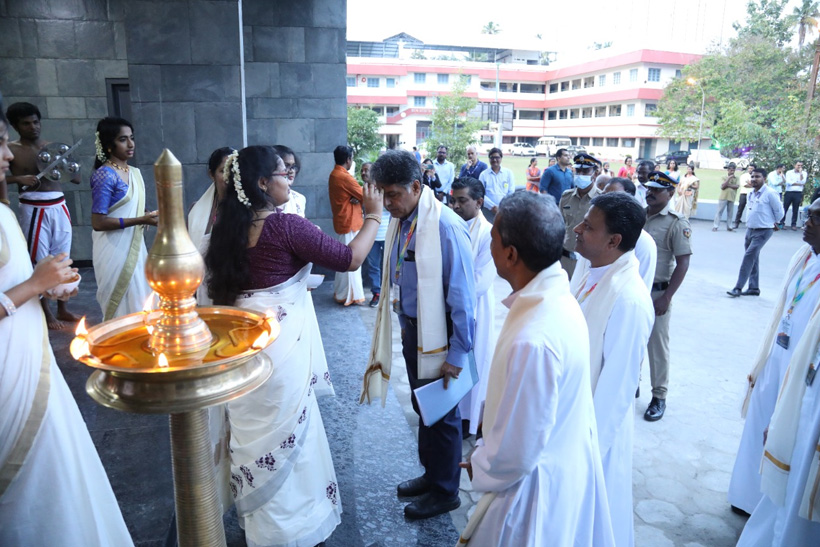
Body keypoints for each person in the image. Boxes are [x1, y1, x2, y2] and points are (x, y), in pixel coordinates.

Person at [205, 145, 383, 546]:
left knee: (253, 436)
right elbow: (349, 258)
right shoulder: (285, 226)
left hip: (241, 350)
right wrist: (373, 215)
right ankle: (293, 530)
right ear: (262, 183)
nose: (289, 180)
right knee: (289, 438)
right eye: (282, 174)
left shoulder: (225, 230)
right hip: (279, 354)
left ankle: (262, 529)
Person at [0, 102, 134, 546]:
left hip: (31, 360)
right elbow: (20, 285)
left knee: (59, 465)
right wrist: (32, 285)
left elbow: (15, 279)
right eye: (0, 144)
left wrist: (50, 286)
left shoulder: (2, 213)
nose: (7, 155)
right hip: (9, 372)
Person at [456, 191, 614, 547]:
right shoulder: (556, 298)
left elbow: (516, 453)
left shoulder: (535, 339)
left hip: (528, 497)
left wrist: (482, 462)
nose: (489, 245)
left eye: (493, 238)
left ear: (511, 254)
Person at [361, 150, 475, 521]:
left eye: (393, 194)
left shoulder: (444, 226)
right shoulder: (406, 220)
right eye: (382, 194)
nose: (387, 203)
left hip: (440, 333)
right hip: (414, 328)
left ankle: (446, 491)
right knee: (424, 406)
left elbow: (463, 297)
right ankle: (433, 474)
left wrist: (457, 354)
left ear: (415, 186)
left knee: (442, 414)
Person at [728, 198, 820, 518]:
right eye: (808, 215)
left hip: (804, 369)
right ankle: (745, 495)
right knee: (759, 420)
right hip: (778, 353)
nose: (806, 222)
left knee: (782, 431)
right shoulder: (804, 255)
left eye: (816, 218)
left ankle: (768, 510)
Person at [572, 192, 655, 547]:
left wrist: (586, 452)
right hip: (572, 418)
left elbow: (617, 389)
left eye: (588, 226)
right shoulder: (592, 272)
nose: (577, 229)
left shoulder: (629, 299)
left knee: (590, 519)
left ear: (613, 241)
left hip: (593, 435)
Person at [4, 102, 81, 329]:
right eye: (26, 124)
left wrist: (66, 163)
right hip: (33, 207)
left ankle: (63, 308)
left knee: (63, 256)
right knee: (39, 259)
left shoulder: (52, 147)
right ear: (15, 126)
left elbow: (77, 179)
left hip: (59, 205)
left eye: (35, 122)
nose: (33, 127)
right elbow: (1, 178)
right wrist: (18, 179)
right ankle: (46, 313)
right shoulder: (11, 150)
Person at [90, 117, 157, 320]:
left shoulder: (134, 173)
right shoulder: (105, 175)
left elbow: (128, 206)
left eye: (131, 138)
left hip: (134, 247)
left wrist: (144, 213)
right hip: (113, 250)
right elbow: (98, 222)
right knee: (120, 303)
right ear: (109, 145)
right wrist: (141, 220)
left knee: (141, 296)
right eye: (123, 139)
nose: (130, 144)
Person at [644, 171, 692, 422]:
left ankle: (659, 395)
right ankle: (632, 384)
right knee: (630, 340)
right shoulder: (638, 216)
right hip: (635, 289)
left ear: (670, 193)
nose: (650, 193)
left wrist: (667, 297)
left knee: (657, 347)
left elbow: (683, 263)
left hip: (658, 293)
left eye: (657, 189)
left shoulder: (676, 223)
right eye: (649, 188)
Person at [451, 177, 496, 438]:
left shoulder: (489, 233)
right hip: (451, 306)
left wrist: (448, 291)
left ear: (479, 202)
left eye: (462, 201)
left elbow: (480, 281)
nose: (455, 206)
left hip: (476, 308)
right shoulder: (448, 225)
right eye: (453, 200)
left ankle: (469, 419)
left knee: (474, 361)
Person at [571, 177, 657, 291]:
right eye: (604, 195)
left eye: (614, 197)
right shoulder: (591, 238)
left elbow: (643, 281)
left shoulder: (644, 242)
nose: (605, 201)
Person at [727, 168, 785, 298]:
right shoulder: (750, 194)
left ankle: (737, 288)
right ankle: (753, 288)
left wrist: (773, 223)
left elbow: (780, 212)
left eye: (757, 177)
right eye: (752, 177)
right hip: (750, 229)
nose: (754, 179)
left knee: (748, 257)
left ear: (764, 178)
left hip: (763, 230)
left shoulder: (770, 193)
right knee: (753, 257)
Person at [188, 147, 235, 306]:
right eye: (223, 171)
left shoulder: (249, 209)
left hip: (234, 282)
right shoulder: (196, 210)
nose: (229, 176)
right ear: (211, 174)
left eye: (233, 170)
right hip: (202, 282)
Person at [328, 145, 366, 306]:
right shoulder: (344, 176)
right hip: (349, 222)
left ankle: (343, 293)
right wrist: (358, 195)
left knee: (344, 259)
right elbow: (364, 195)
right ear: (348, 159)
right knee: (351, 260)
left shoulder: (335, 174)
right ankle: (349, 295)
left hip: (345, 221)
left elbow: (357, 194)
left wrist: (355, 196)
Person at [558, 153, 601, 278]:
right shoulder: (566, 197)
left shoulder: (601, 199)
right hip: (565, 259)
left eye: (586, 171)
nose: (580, 174)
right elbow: (560, 226)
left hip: (588, 263)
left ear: (595, 174)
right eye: (578, 171)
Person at [361, 161, 391, 307]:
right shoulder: (362, 190)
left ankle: (390, 294)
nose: (363, 173)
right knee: (373, 266)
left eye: (366, 170)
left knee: (389, 265)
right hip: (371, 235)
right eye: (362, 170)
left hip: (387, 233)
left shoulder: (384, 188)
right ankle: (377, 293)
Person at [478, 147, 515, 223]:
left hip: (504, 210)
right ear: (489, 159)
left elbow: (511, 192)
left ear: (501, 158)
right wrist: (492, 207)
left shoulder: (508, 173)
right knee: (488, 229)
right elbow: (480, 193)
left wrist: (501, 207)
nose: (494, 160)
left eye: (497, 157)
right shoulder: (484, 175)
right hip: (488, 210)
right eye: (492, 158)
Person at [273, 144, 306, 217]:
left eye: (293, 166)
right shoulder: (266, 199)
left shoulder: (299, 198)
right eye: (286, 166)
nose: (291, 171)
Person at [713, 163, 739, 231]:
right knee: (719, 212)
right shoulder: (724, 177)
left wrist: (728, 185)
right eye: (731, 170)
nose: (732, 172)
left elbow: (737, 186)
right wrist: (729, 178)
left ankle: (729, 226)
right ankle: (715, 226)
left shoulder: (736, 178)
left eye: (733, 170)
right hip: (723, 197)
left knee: (730, 213)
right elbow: (723, 187)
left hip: (732, 197)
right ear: (728, 170)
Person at [782, 161, 806, 231]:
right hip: (789, 192)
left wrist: (801, 174)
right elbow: (788, 182)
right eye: (798, 165)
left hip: (798, 193)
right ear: (795, 165)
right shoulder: (789, 172)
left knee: (795, 209)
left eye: (801, 166)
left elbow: (803, 182)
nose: (799, 167)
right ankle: (781, 223)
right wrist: (799, 184)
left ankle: (793, 224)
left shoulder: (804, 173)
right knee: (785, 208)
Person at [734, 164, 756, 230]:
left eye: (752, 168)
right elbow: (744, 185)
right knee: (740, 209)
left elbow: (757, 185)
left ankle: (752, 224)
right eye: (749, 168)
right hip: (744, 194)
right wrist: (752, 185)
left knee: (753, 209)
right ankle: (736, 223)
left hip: (753, 194)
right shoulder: (744, 176)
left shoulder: (756, 176)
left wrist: (750, 184)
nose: (750, 170)